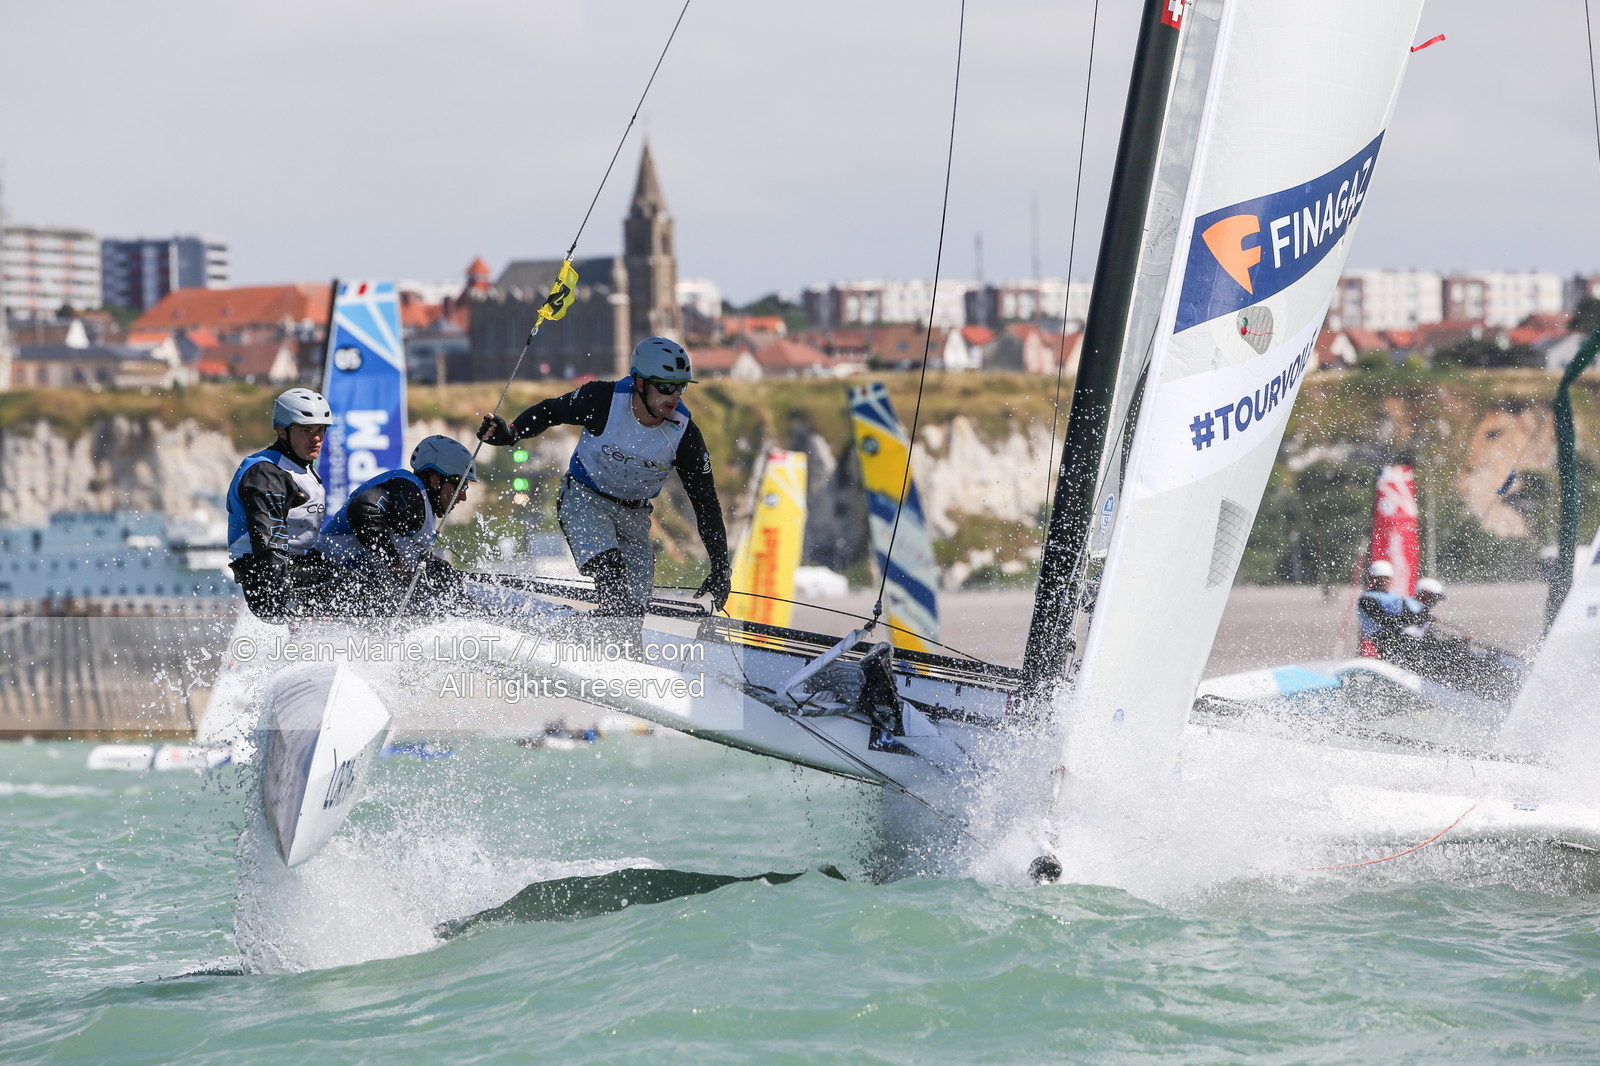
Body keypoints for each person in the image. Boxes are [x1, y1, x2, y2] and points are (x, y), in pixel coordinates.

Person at [477, 336, 731, 619]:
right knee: (612, 581)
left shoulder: (685, 435)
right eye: (666, 387)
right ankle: (581, 631)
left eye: (681, 387)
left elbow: (706, 502)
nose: (674, 396)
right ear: (641, 383)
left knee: (633, 614)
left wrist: (721, 568)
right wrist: (512, 433)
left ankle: (618, 654)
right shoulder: (602, 399)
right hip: (584, 498)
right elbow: (551, 411)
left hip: (635, 516)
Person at [318, 435, 478, 613]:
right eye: (460, 485)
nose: (463, 496)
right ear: (435, 478)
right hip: (328, 575)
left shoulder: (422, 504)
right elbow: (363, 507)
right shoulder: (410, 491)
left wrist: (438, 569)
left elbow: (405, 551)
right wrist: (395, 562)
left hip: (354, 583)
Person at [226, 388, 340, 621]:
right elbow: (269, 550)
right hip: (270, 582)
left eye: (321, 430)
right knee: (356, 582)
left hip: (295, 567)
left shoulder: (299, 466)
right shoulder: (266, 474)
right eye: (306, 430)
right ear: (282, 431)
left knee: (368, 569)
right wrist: (291, 604)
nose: (316, 438)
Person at [1356, 559, 1422, 658]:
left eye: (1386, 578)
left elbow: (1410, 610)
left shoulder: (1395, 596)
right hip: (1381, 635)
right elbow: (1383, 620)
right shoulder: (1367, 599)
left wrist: (1421, 616)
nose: (1383, 581)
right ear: (1372, 579)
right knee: (1413, 646)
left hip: (1399, 631)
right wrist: (1409, 620)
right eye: (1380, 578)